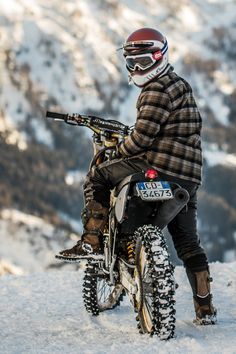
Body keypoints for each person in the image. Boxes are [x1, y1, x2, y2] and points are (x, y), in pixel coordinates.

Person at [58, 28, 217, 324]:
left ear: (159, 57)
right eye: (131, 63)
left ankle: (91, 240)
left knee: (99, 176)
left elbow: (142, 139)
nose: (137, 69)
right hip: (188, 179)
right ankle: (205, 308)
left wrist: (118, 150)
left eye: (143, 61)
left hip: (156, 167)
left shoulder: (155, 89)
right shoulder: (180, 85)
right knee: (187, 242)